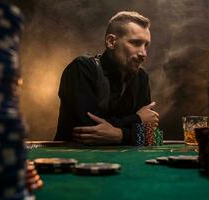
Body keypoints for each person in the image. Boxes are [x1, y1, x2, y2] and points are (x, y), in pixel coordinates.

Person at [54, 11, 159, 145]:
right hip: (75, 160)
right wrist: (137, 119)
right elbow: (89, 130)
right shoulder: (83, 67)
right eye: (135, 43)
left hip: (124, 162)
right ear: (111, 42)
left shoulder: (141, 77)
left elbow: (151, 137)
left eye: (146, 45)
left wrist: (120, 135)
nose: (143, 53)